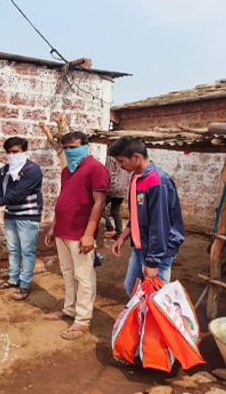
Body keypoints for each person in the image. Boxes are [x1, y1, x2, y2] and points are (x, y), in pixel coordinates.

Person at [43, 131, 109, 340]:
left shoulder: (96, 169)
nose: (69, 151)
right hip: (63, 229)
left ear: (85, 146)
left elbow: (99, 201)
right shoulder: (67, 171)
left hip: (80, 232)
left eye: (73, 147)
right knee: (67, 272)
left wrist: (89, 234)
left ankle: (82, 319)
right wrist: (54, 226)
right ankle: (69, 309)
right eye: (66, 148)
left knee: (84, 276)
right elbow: (63, 198)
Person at [109, 137, 185, 297]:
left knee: (156, 297)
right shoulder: (136, 177)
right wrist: (123, 236)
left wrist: (153, 262)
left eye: (121, 161)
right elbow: (138, 214)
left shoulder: (157, 181)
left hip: (158, 250)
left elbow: (160, 225)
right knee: (131, 287)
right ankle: (141, 320)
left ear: (136, 157)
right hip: (140, 247)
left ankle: (154, 322)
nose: (120, 166)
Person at [0, 136, 43, 301]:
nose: (11, 155)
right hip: (11, 215)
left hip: (28, 215)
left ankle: (25, 284)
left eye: (15, 151)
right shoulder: (4, 170)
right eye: (8, 152)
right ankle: (13, 279)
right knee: (14, 250)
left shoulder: (32, 169)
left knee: (27, 251)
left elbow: (19, 193)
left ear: (24, 151)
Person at [104, 155, 130, 238]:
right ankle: (119, 232)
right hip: (123, 189)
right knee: (115, 211)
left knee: (98, 207)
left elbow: (108, 173)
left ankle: (109, 228)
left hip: (112, 187)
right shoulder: (126, 157)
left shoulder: (111, 157)